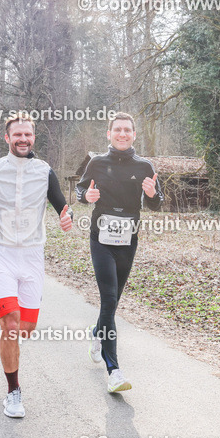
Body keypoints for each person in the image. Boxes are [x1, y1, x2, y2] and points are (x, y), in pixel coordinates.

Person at [0, 114, 73, 418]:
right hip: (1, 255)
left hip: (33, 257)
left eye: (28, 134)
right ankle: (13, 392)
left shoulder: (45, 171)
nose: (23, 139)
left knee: (26, 328)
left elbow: (61, 204)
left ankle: (11, 342)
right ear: (7, 138)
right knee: (10, 325)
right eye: (17, 134)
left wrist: (66, 216)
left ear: (34, 137)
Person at [76, 113, 162, 393]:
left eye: (127, 130)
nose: (122, 134)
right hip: (101, 236)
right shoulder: (97, 162)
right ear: (109, 133)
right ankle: (113, 370)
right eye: (118, 130)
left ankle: (97, 333)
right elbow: (80, 190)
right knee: (109, 297)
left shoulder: (145, 166)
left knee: (112, 303)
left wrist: (151, 194)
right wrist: (86, 197)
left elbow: (156, 205)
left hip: (128, 239)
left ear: (134, 134)